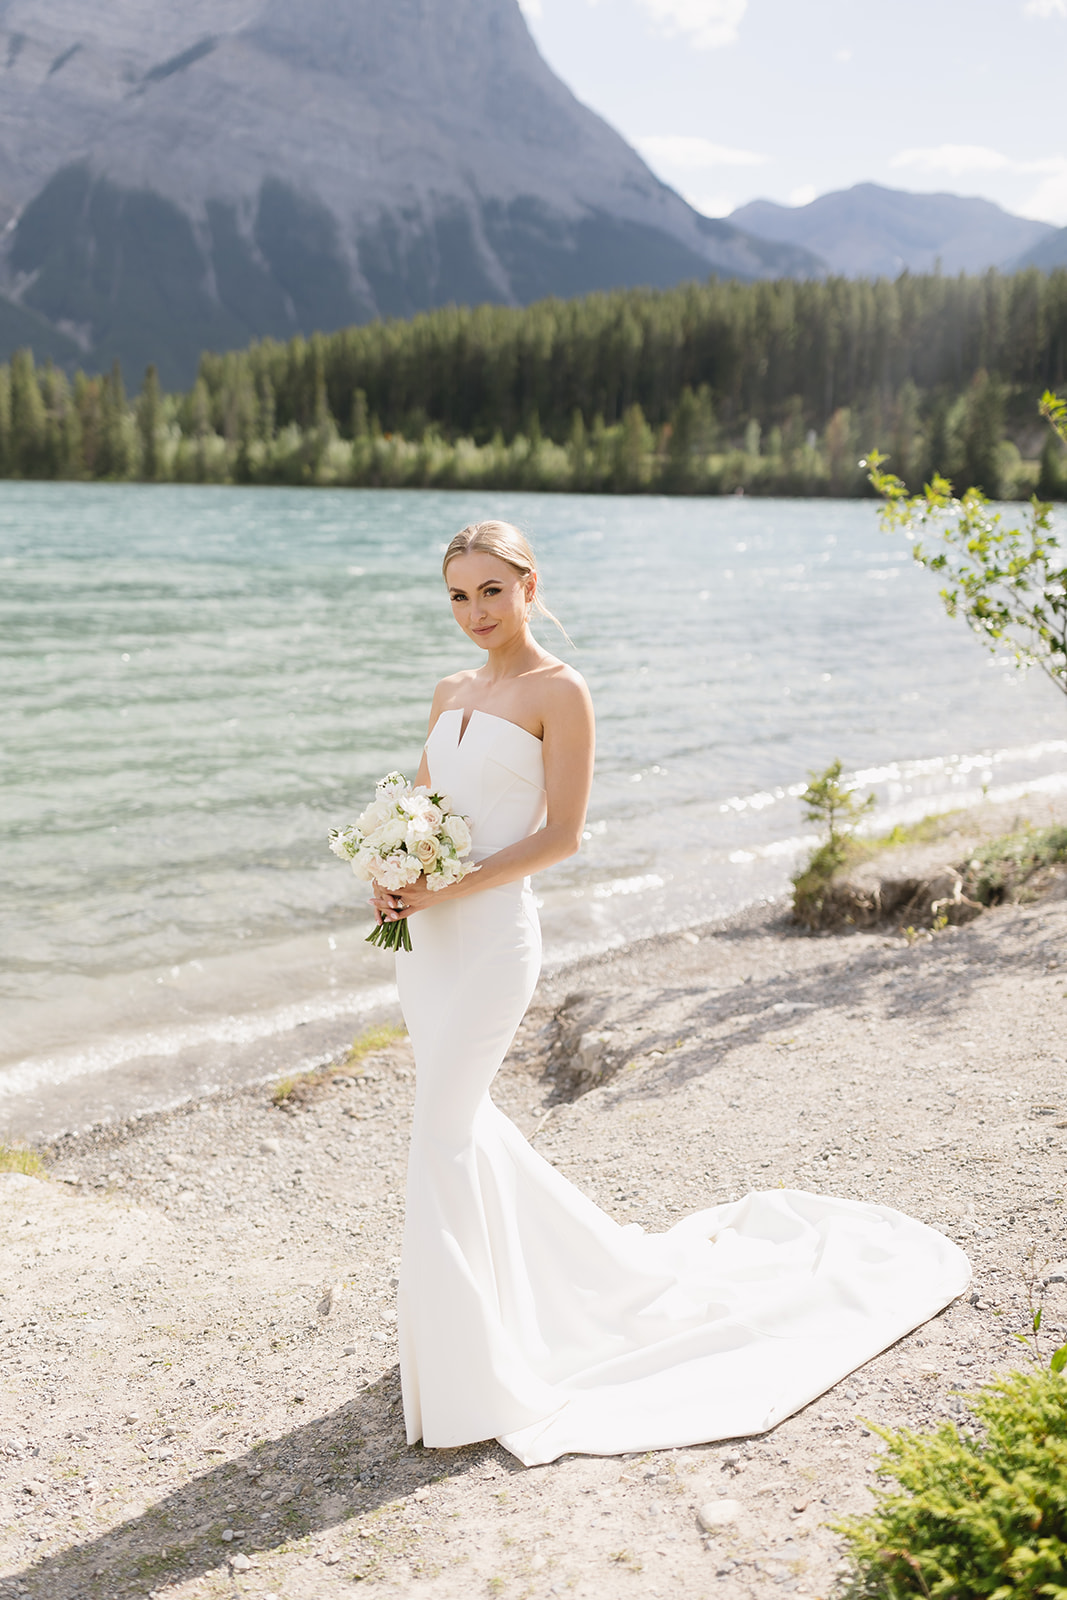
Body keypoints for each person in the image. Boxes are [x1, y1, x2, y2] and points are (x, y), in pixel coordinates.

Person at [369, 519, 970, 1469]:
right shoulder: (449, 691)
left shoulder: (560, 691)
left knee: (440, 1130)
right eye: (457, 594)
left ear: (528, 588)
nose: (474, 611)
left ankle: (467, 1366)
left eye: (490, 590)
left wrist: (448, 887)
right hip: (427, 942)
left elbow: (561, 835)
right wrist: (392, 872)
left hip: (488, 940)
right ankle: (496, 1312)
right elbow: (422, 809)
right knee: (461, 1124)